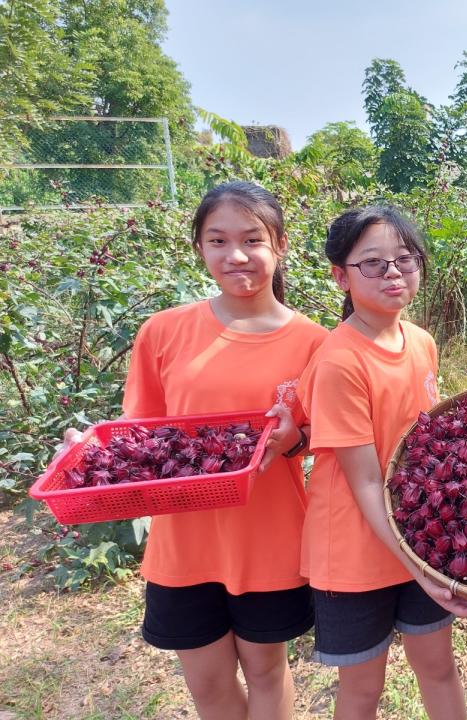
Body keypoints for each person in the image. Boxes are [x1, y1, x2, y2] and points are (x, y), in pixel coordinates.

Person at [57, 181, 329, 719]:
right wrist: (90, 457)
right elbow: (140, 435)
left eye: (252, 239)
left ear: (280, 244)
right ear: (199, 248)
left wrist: (292, 440)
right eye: (218, 240)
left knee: (267, 673)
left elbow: (320, 437)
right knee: (206, 684)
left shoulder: (316, 343)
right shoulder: (163, 332)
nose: (236, 255)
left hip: (267, 537)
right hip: (185, 543)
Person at [297, 206, 467, 720]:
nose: (393, 273)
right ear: (340, 276)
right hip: (354, 551)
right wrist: (420, 570)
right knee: (362, 689)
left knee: (439, 667)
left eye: (405, 259)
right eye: (372, 264)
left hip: (419, 534)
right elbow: (366, 481)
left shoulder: (420, 343)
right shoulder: (340, 361)